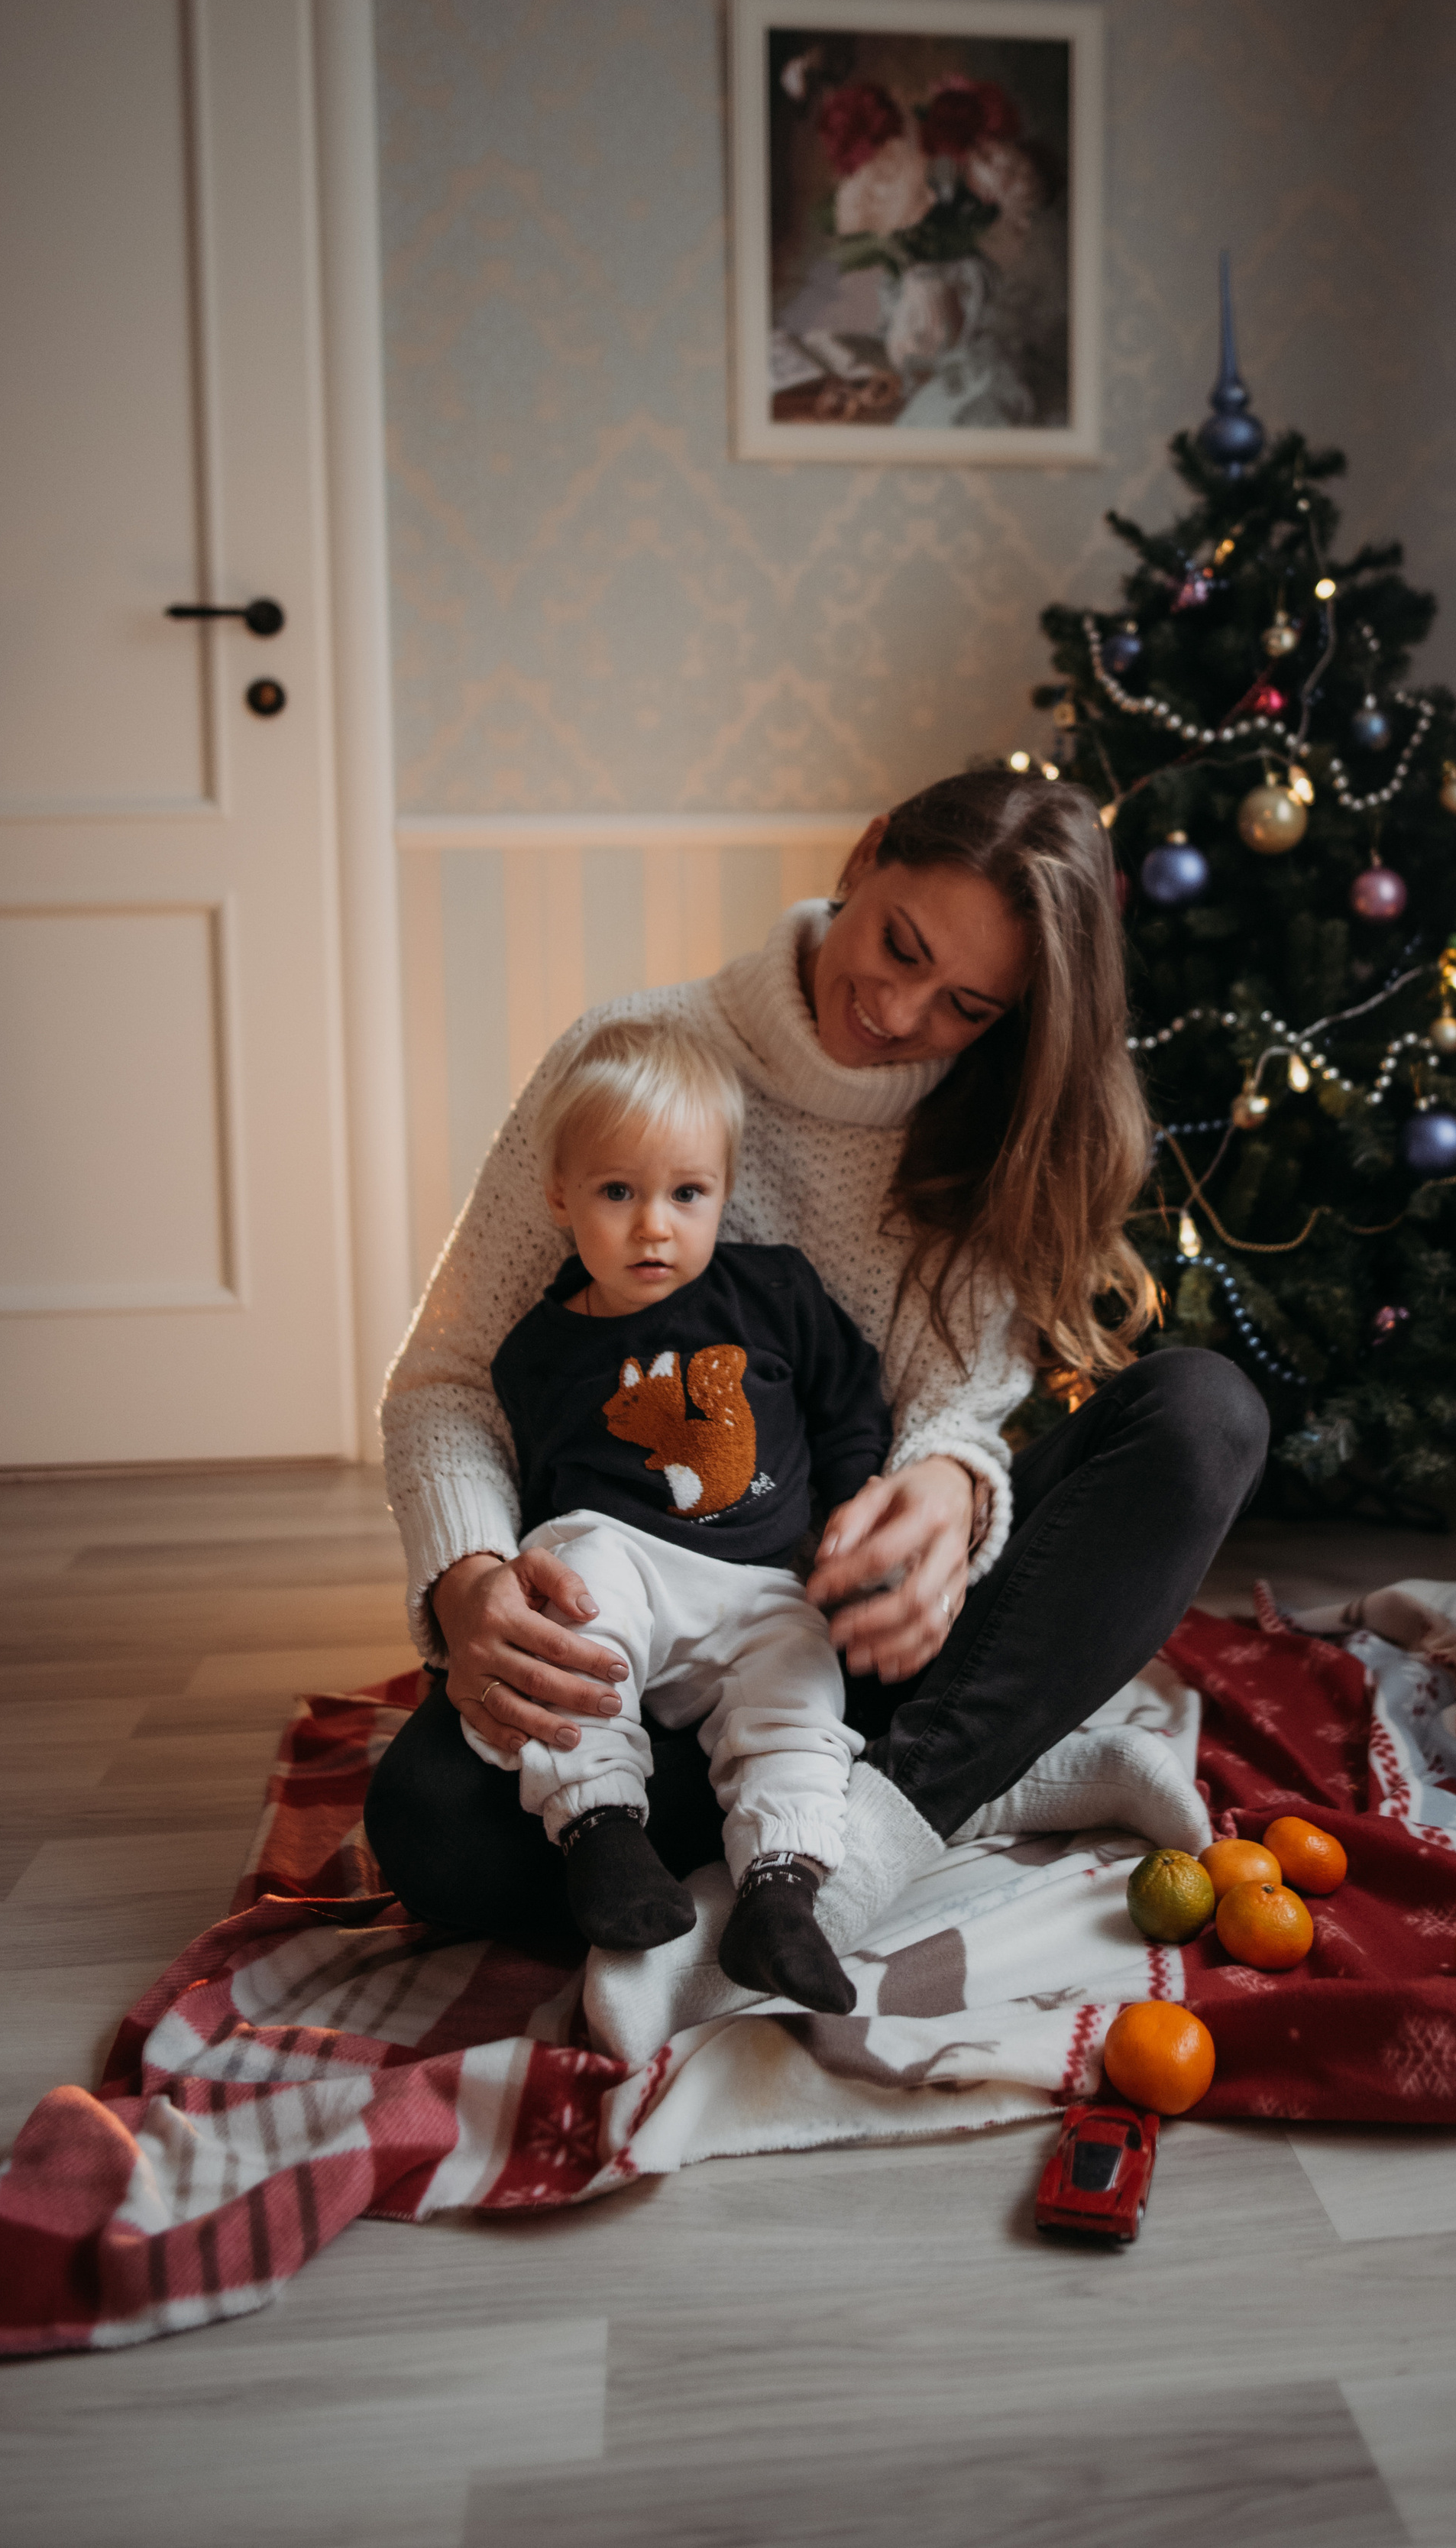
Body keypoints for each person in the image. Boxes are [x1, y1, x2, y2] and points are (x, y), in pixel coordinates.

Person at [367, 769, 1270, 2001]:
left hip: (842, 1623)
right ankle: (974, 1770)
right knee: (431, 1827)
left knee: (1204, 1414)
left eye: (965, 1005)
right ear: (866, 852)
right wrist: (470, 1579)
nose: (899, 1012)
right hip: (632, 1632)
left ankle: (862, 1847)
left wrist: (952, 1486)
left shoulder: (992, 1126)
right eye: (899, 945)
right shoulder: (633, 1056)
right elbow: (448, 1376)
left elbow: (957, 1409)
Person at [468, 1012, 889, 2015]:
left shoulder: (776, 1293)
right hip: (623, 1561)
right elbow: (529, 1484)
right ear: (560, 1195)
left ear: (723, 1194)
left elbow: (849, 1400)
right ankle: (604, 1836)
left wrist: (863, 1491)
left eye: (686, 1194)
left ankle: (782, 1895)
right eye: (620, 1192)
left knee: (800, 1694)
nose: (654, 1225)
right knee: (579, 1601)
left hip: (760, 1578)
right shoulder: (536, 1349)